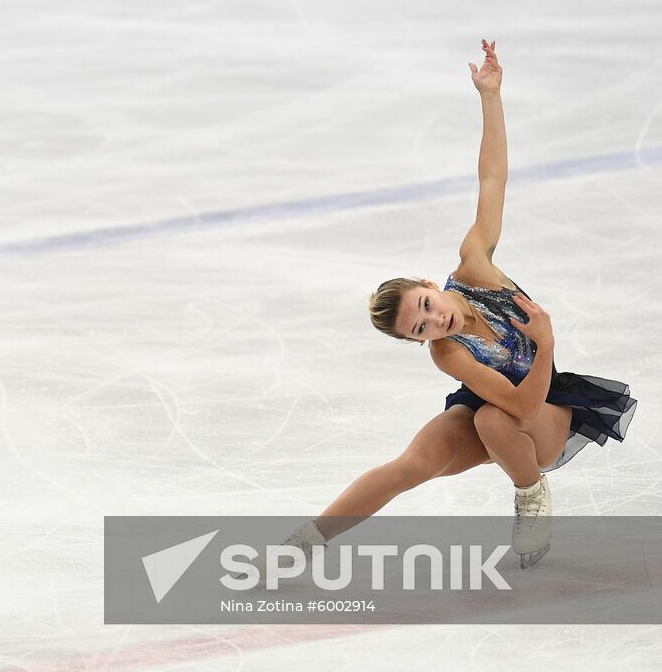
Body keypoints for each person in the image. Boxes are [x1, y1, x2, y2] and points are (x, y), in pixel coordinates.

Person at [270, 41, 636, 570]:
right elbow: (514, 405)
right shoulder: (448, 354)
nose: (433, 319)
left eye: (425, 303)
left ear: (428, 282)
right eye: (420, 328)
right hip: (508, 408)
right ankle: (302, 546)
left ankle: (531, 496)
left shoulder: (475, 267)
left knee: (493, 421)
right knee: (411, 464)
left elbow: (492, 178)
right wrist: (545, 338)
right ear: (418, 341)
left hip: (549, 413)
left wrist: (490, 96)